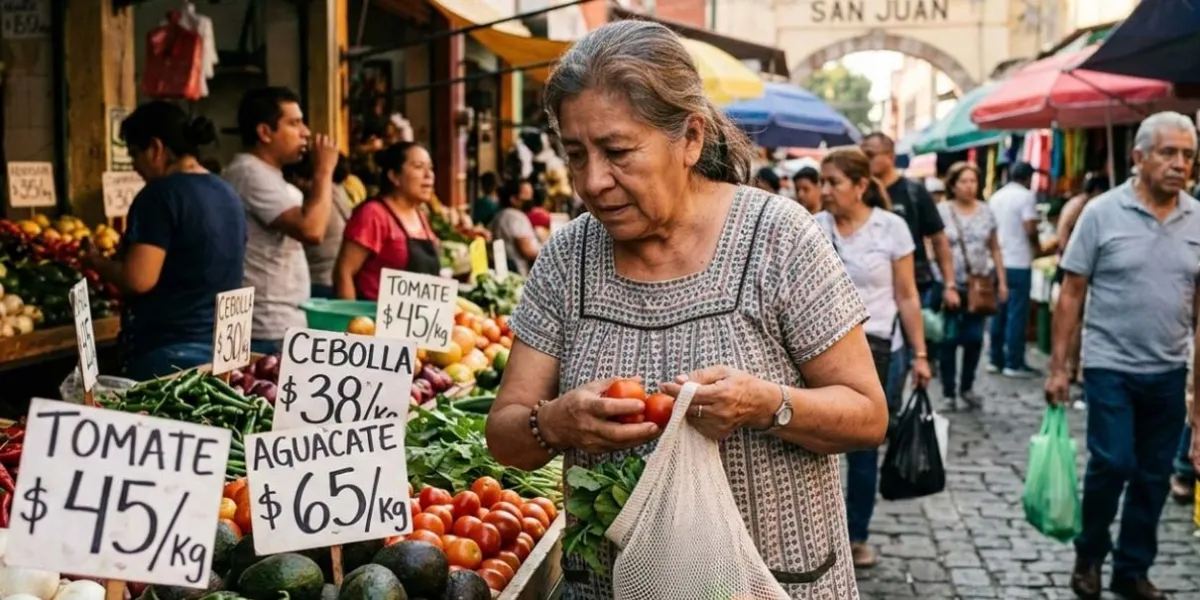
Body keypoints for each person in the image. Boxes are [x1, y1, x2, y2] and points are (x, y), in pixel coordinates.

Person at [484, 20, 887, 599]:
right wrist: (553, 423)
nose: (593, 181)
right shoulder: (566, 259)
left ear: (691, 138)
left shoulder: (778, 238)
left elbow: (868, 415)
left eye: (618, 151)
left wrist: (766, 403)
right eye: (576, 154)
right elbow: (504, 434)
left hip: (773, 583)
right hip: (610, 585)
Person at [1046, 111, 1200, 600]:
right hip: (1109, 364)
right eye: (1169, 153)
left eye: (1189, 155)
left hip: (1169, 367)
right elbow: (1071, 292)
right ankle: (1090, 554)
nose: (1180, 164)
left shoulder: (1197, 219)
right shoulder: (1101, 212)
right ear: (1138, 157)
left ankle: (1132, 569)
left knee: (1154, 475)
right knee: (1112, 463)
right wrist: (1058, 367)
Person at [814, 147, 930, 568]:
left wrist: (920, 354)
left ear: (861, 186)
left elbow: (906, 294)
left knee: (863, 447)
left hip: (880, 350)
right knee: (817, 443)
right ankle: (818, 534)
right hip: (821, 351)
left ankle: (855, 536)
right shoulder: (811, 227)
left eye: (834, 183)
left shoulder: (891, 228)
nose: (825, 191)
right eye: (822, 182)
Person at [83, 101, 246, 380]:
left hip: (167, 355)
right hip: (223, 351)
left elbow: (139, 279)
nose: (135, 166)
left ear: (157, 148)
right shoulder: (226, 192)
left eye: (135, 154)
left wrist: (97, 262)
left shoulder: (159, 195)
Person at [224, 87, 338, 354]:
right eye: (294, 123)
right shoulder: (248, 172)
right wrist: (324, 170)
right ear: (264, 132)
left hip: (284, 320)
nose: (306, 133)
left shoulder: (270, 175)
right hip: (266, 325)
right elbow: (312, 229)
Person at [861, 133, 958, 414]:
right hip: (872, 293)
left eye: (870, 154)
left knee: (900, 358)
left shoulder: (913, 193)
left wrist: (950, 282)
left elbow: (939, 240)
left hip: (911, 289)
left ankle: (888, 413)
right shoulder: (861, 192)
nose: (865, 160)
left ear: (889, 156)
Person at [936, 162, 1007, 410]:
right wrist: (946, 283)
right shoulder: (943, 211)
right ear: (953, 185)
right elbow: (932, 245)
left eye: (973, 181)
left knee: (975, 339)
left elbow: (995, 248)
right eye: (964, 181)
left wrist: (1002, 281)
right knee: (949, 340)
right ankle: (948, 391)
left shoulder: (986, 212)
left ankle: (967, 386)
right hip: (951, 285)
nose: (969, 186)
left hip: (980, 285)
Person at [334, 141, 440, 300]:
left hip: (417, 321)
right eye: (418, 167)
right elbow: (344, 272)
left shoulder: (421, 216)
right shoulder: (373, 214)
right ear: (394, 176)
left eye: (430, 168)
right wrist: (353, 320)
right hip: (374, 319)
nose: (429, 175)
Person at [987, 162, 1042, 378]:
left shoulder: (996, 197)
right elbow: (1030, 228)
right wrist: (1036, 246)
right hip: (1019, 261)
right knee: (1016, 314)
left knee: (998, 313)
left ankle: (995, 358)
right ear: (1027, 178)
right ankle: (1013, 361)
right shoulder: (1026, 197)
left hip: (999, 261)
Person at [286, 154, 353, 299]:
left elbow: (310, 233)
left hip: (317, 282)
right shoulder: (340, 193)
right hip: (334, 281)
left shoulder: (312, 200)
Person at [491, 180, 542, 275]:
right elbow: (527, 250)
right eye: (526, 196)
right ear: (513, 199)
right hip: (519, 271)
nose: (530, 199)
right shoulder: (516, 217)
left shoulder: (500, 215)